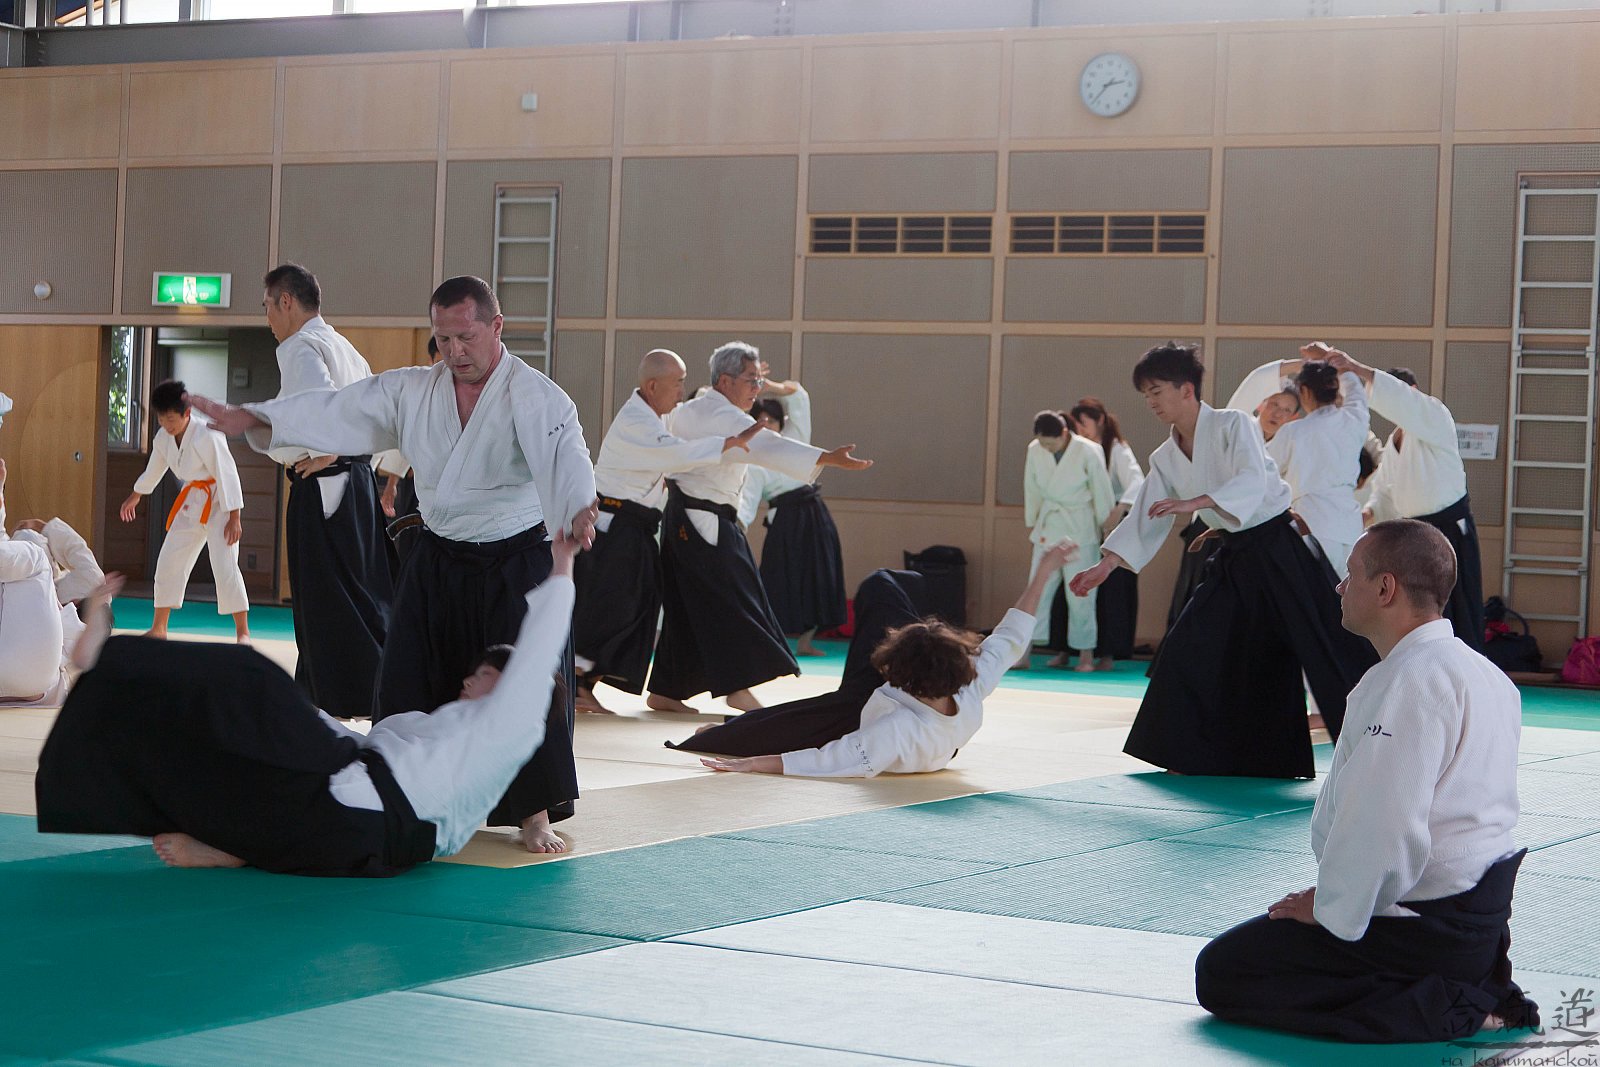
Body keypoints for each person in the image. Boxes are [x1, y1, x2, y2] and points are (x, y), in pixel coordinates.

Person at [191, 275, 595, 855]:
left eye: (467, 337)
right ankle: (394, 791)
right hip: (439, 555)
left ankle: (534, 814)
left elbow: (566, 455)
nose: (454, 351)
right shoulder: (411, 390)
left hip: (514, 554)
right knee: (406, 677)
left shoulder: (535, 395)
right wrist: (258, 419)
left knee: (523, 681)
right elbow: (337, 410)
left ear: (496, 327)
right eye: (443, 339)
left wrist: (577, 508)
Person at [34, 536, 579, 877]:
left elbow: (537, 656)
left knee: (251, 691)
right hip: (350, 799)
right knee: (233, 718)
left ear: (514, 688)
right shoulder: (448, 728)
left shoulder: (510, 726)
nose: (468, 678)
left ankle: (237, 846)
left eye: (485, 674)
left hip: (364, 817)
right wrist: (309, 719)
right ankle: (108, 661)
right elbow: (372, 745)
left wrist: (562, 565)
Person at [1194, 520, 1539, 1042]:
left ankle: (1454, 1007)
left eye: (1350, 575)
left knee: (1224, 972)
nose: (1339, 587)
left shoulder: (1411, 680)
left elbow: (1387, 823)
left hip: (1424, 925)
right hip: (1478, 920)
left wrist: (1332, 908)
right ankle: (1470, 985)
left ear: (1385, 588)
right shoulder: (1481, 672)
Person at [1070, 342, 1376, 779]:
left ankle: (1380, 743)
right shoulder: (1166, 456)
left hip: (1279, 550)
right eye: (1146, 394)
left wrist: (1198, 502)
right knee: (1191, 644)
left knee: (1324, 644)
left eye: (1157, 391)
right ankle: (1197, 754)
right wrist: (1105, 565)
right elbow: (1147, 513)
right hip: (1235, 555)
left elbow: (1253, 478)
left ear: (1186, 389)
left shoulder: (1235, 424)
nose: (1151, 402)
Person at [680, 540, 1079, 777]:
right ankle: (728, 731)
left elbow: (827, 760)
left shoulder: (898, 732)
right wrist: (1044, 570)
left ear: (894, 672)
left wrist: (753, 765)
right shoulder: (970, 687)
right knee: (891, 585)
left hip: (859, 708)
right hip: (903, 703)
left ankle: (725, 732)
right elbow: (1011, 636)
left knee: (770, 729)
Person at [647, 341, 871, 715]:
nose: (757, 388)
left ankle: (668, 689)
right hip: (703, 523)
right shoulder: (727, 418)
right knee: (733, 600)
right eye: (751, 380)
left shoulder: (691, 409)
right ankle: (737, 687)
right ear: (725, 381)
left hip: (685, 521)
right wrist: (827, 458)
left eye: (758, 381)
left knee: (687, 606)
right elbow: (770, 447)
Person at [573, 349, 760, 712]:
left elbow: (680, 443)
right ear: (653, 386)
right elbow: (676, 454)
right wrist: (727, 443)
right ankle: (577, 681)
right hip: (614, 526)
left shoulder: (655, 418)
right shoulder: (636, 423)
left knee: (639, 605)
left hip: (635, 527)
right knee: (611, 606)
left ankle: (585, 681)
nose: (681, 391)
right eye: (677, 383)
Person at [260, 263, 393, 714]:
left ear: (286, 301)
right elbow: (374, 412)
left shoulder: (301, 345)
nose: (268, 319)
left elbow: (319, 402)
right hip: (358, 483)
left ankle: (336, 697)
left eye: (267, 307)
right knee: (359, 591)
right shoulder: (343, 346)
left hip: (324, 485)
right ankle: (341, 693)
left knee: (324, 598)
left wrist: (327, 452)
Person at [1330, 354, 1486, 653]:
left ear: (1413, 393)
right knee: (1416, 610)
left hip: (1449, 532)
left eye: (1400, 395)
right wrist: (1369, 511)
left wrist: (1357, 368)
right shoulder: (1394, 442)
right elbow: (1384, 491)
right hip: (1415, 536)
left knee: (1457, 611)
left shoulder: (1436, 417)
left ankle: (1461, 667)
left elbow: (1407, 402)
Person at [119, 380, 249, 643]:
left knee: (225, 564)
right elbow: (155, 468)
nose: (166, 425)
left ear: (187, 413)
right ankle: (159, 628)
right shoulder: (163, 439)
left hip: (221, 501)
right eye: (161, 419)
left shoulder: (208, 434)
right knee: (169, 559)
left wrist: (235, 517)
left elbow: (227, 472)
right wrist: (136, 495)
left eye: (171, 419)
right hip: (192, 500)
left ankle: (242, 632)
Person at [1231, 345, 1371, 579]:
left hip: (1311, 524)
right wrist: (1332, 359)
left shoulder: (1293, 432)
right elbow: (1355, 388)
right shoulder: (1355, 419)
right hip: (1349, 526)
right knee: (1345, 596)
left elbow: (1260, 470)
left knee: (1309, 595)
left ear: (1304, 392)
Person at [739, 373, 847, 658]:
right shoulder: (752, 458)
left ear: (781, 422)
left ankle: (806, 641)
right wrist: (736, 529)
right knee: (778, 578)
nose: (767, 425)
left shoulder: (795, 438)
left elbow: (799, 397)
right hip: (784, 520)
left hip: (814, 515)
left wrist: (769, 386)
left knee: (820, 573)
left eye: (772, 420)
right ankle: (770, 642)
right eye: (760, 421)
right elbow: (747, 502)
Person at [1022, 411, 1112, 672]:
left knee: (1082, 592)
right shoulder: (1034, 449)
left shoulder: (1089, 450)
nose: (1046, 448)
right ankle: (1024, 652)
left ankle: (1086, 655)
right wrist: (1033, 520)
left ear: (1064, 433)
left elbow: (1101, 489)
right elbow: (1031, 487)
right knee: (1036, 589)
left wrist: (1106, 524)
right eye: (1043, 443)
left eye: (1051, 444)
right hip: (1049, 524)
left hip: (1079, 527)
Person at [1067, 397, 1142, 666]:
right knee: (1076, 585)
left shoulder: (1117, 448)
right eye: (1077, 426)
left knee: (1113, 591)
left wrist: (1119, 508)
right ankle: (1070, 649)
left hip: (1115, 524)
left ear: (1099, 420)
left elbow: (1137, 482)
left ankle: (1109, 653)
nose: (1081, 431)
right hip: (1085, 524)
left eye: (1084, 424)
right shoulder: (1079, 449)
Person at [0, 458, 79, 707]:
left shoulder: (38, 564)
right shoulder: (37, 584)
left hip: (32, 673)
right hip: (38, 683)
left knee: (30, 558)